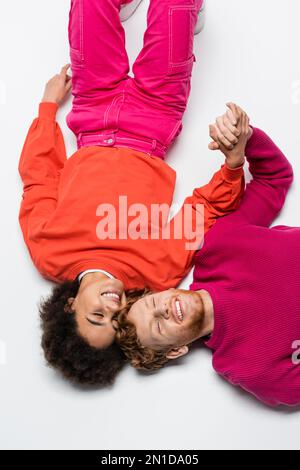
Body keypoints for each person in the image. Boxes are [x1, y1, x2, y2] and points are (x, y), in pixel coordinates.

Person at [18, 0, 244, 386]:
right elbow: (202, 211)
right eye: (117, 319)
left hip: (92, 108)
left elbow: (39, 178)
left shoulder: (47, 254)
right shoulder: (157, 273)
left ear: (70, 305)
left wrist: (47, 106)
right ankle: (189, 17)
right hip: (154, 117)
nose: (112, 306)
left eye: (96, 315)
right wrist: (234, 163)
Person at [117, 103, 300, 408]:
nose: (162, 310)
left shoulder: (218, 247)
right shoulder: (250, 368)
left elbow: (274, 179)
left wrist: (245, 140)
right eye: (158, 326)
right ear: (175, 351)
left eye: (151, 304)